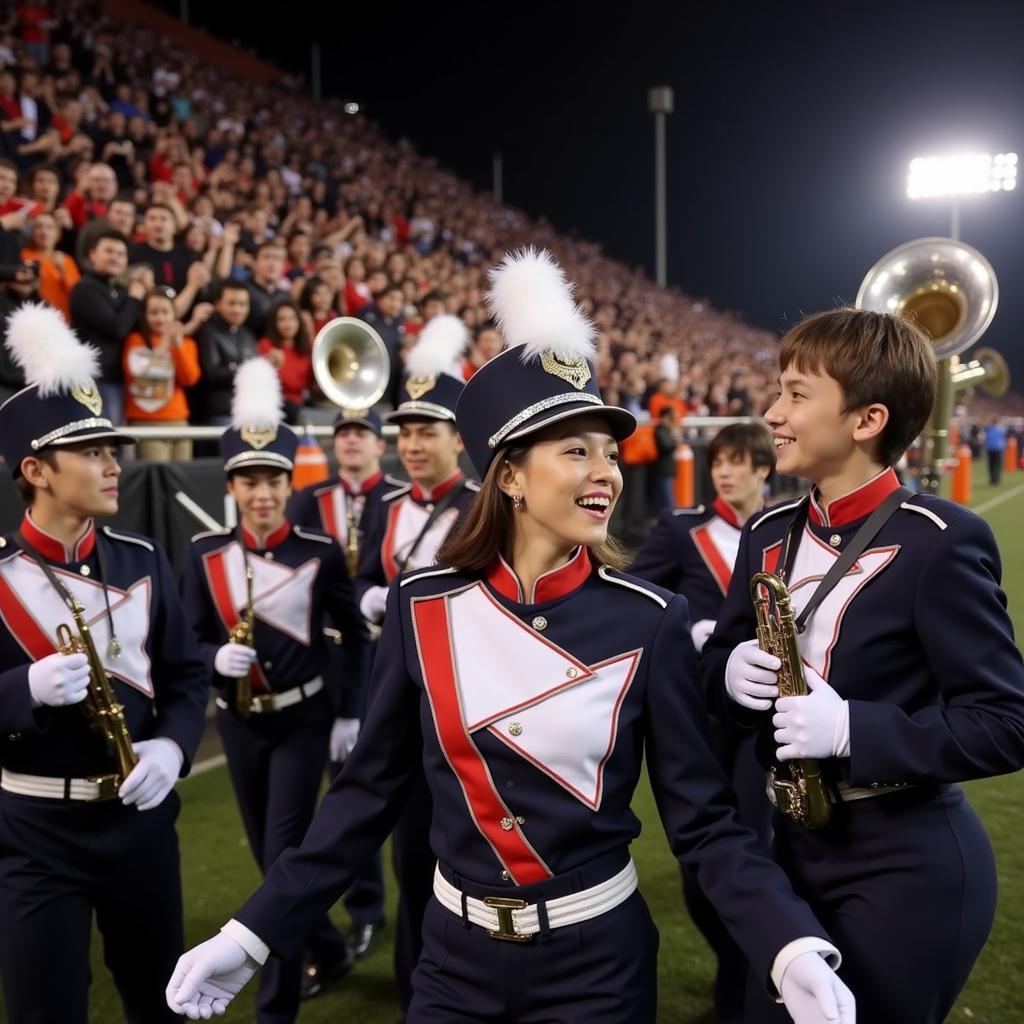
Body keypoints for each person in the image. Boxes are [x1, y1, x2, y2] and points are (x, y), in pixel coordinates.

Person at [166, 250, 853, 1024]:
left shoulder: (648, 619)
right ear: (512, 477)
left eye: (608, 450)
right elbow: (364, 797)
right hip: (452, 964)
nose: (608, 472)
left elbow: (703, 823)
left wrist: (788, 944)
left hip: (598, 968)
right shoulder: (421, 607)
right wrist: (252, 932)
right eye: (575, 451)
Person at [701, 308, 1024, 1024]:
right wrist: (725, 672)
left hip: (907, 861)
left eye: (795, 394)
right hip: (786, 846)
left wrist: (855, 730)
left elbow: (1006, 723)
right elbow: (721, 668)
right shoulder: (764, 533)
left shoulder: (941, 540)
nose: (772, 413)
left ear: (866, 419)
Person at [0, 303, 207, 1023]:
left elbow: (186, 675)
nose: (113, 463)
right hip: (32, 830)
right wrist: (19, 688)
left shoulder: (142, 559)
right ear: (36, 470)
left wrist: (175, 748)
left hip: (141, 824)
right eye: (90, 452)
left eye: (110, 447)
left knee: (164, 1004)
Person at [178, 357, 369, 1024]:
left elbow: (356, 635)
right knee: (267, 855)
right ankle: (324, 941)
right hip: (237, 723)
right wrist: (210, 654)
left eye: (274, 479)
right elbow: (188, 638)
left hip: (304, 720)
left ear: (290, 483)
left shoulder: (317, 552)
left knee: (284, 855)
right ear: (231, 485)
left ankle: (276, 1007)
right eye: (250, 480)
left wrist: (350, 712)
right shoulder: (204, 553)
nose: (263, 492)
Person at [352, 313, 481, 1014]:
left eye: (426, 431)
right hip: (396, 698)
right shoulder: (386, 505)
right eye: (403, 432)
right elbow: (353, 587)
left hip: (462, 702)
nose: (411, 445)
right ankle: (416, 992)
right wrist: (367, 599)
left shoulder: (485, 506)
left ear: (458, 439)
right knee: (407, 859)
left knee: (459, 856)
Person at [629, 420, 775, 1023]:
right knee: (698, 872)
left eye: (739, 461)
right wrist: (688, 628)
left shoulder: (785, 529)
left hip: (769, 722)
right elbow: (635, 595)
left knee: (755, 854)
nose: (725, 470)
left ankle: (741, 987)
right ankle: (742, 962)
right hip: (700, 717)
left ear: (764, 469)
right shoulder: (682, 529)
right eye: (720, 459)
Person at [288, 406, 400, 996]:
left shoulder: (397, 498)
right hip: (329, 655)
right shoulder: (310, 498)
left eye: (360, 433)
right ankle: (361, 904)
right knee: (339, 783)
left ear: (379, 445)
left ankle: (376, 904)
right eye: (343, 434)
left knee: (378, 779)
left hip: (389, 650)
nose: (350, 442)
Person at [69, 228, 152, 425]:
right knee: (104, 441)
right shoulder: (84, 288)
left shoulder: (117, 290)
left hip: (118, 379)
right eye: (109, 251)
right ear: (92, 254)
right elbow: (117, 328)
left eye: (121, 254)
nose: (115, 258)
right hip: (96, 380)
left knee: (116, 444)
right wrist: (134, 298)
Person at [122, 287, 211, 460]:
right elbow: (141, 374)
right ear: (144, 315)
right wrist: (164, 342)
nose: (160, 318)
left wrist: (178, 346)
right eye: (153, 312)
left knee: (182, 478)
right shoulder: (135, 340)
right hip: (146, 421)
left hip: (178, 420)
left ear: (174, 315)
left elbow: (190, 378)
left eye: (165, 312)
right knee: (158, 477)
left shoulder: (186, 343)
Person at [196, 279, 256, 426]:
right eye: (231, 303)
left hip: (249, 411)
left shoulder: (248, 335)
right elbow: (212, 374)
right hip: (221, 413)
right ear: (218, 305)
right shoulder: (208, 332)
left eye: (242, 304)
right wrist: (248, 370)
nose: (237, 309)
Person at [257, 299, 312, 423]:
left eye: (292, 318)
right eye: (282, 319)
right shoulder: (266, 345)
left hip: (301, 407)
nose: (288, 324)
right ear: (274, 323)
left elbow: (307, 385)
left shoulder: (306, 349)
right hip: (277, 409)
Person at [21, 208, 81, 321]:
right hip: (33, 318)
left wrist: (63, 270)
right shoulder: (23, 256)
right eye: (39, 227)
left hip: (62, 321)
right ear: (32, 232)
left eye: (50, 227)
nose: (44, 231)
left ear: (58, 234)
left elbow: (77, 295)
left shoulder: (66, 260)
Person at [984, 416, 1006, 486]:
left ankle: (993, 479)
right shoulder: (1001, 429)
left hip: (991, 448)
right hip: (998, 449)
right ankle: (996, 479)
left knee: (991, 465)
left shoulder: (989, 429)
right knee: (997, 465)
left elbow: (986, 439)